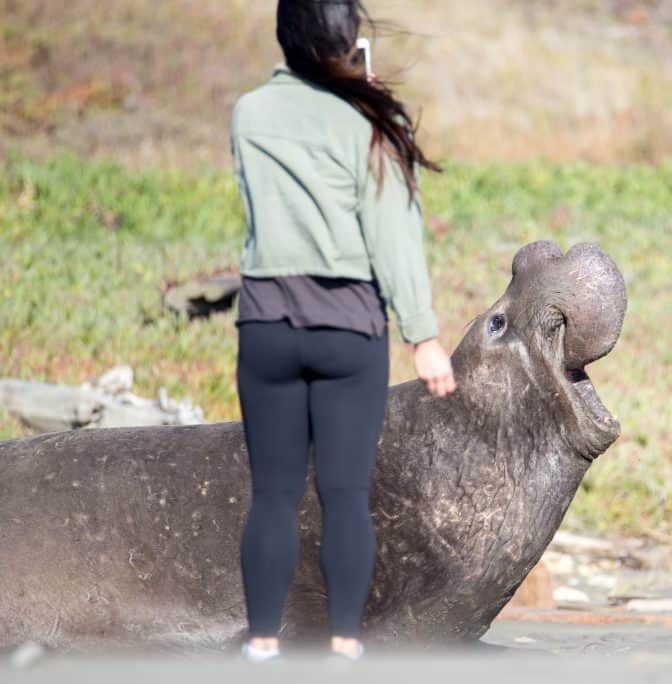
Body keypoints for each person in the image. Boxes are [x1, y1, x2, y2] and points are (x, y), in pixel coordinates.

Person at [230, 0, 455, 663]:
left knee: (271, 495)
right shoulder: (366, 120)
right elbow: (394, 237)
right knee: (345, 496)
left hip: (266, 320)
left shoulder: (248, 113)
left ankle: (262, 648)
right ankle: (344, 648)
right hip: (349, 328)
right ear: (349, 40)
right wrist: (424, 337)